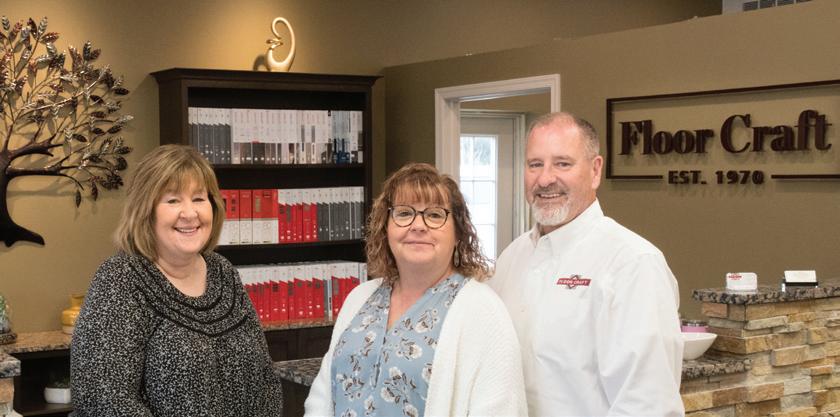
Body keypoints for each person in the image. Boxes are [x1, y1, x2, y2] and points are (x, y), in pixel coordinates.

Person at [488, 112, 684, 417]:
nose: (545, 179)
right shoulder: (512, 257)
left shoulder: (632, 264)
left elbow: (648, 405)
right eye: (535, 164)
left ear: (595, 170)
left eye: (562, 164)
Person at [70, 144, 283, 416]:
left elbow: (266, 378)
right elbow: (103, 399)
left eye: (199, 198)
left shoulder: (223, 271)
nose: (190, 213)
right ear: (145, 210)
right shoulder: (120, 278)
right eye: (173, 200)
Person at [305, 162, 527, 417]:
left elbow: (500, 409)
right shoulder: (360, 298)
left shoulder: (483, 310)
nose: (418, 226)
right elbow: (322, 397)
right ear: (385, 228)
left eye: (434, 215)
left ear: (458, 233)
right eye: (403, 213)